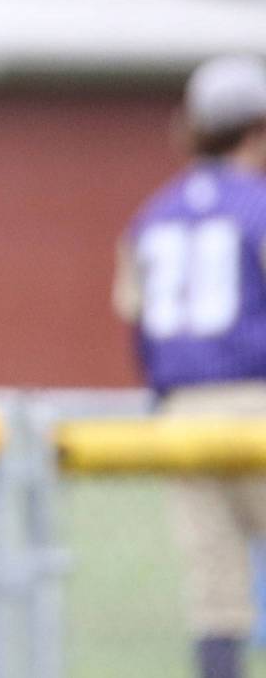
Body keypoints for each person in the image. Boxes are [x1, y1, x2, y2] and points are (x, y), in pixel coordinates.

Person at [113, 55, 266, 678]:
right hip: (256, 404)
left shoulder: (153, 216)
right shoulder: (256, 204)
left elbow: (135, 314)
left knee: (216, 597)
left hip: (182, 417)